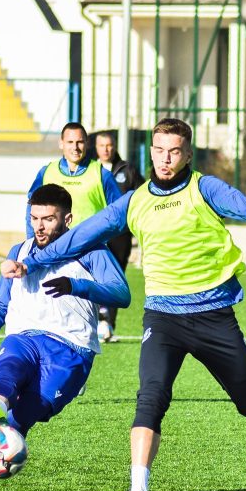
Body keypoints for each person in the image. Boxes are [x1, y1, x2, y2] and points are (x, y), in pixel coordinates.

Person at [1, 118, 246, 491]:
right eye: (159, 151)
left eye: (174, 152)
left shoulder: (203, 188)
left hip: (213, 315)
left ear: (188, 154)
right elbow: (83, 235)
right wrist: (30, 261)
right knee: (150, 397)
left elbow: (238, 202)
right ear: (150, 152)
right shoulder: (135, 200)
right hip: (163, 317)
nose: (165, 159)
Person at [0, 183, 131, 491]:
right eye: (34, 218)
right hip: (25, 336)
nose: (39, 226)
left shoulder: (92, 252)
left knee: (25, 417)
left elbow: (121, 294)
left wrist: (76, 286)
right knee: (12, 365)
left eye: (48, 219)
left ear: (67, 220)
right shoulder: (20, 252)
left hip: (71, 349)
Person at [93, 130, 143, 342]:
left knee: (115, 278)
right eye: (102, 145)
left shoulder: (127, 170)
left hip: (120, 233)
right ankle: (92, 322)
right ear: (96, 148)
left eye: (109, 145)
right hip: (95, 232)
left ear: (114, 146)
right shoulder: (90, 170)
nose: (106, 149)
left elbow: (141, 196)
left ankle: (109, 326)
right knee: (93, 277)